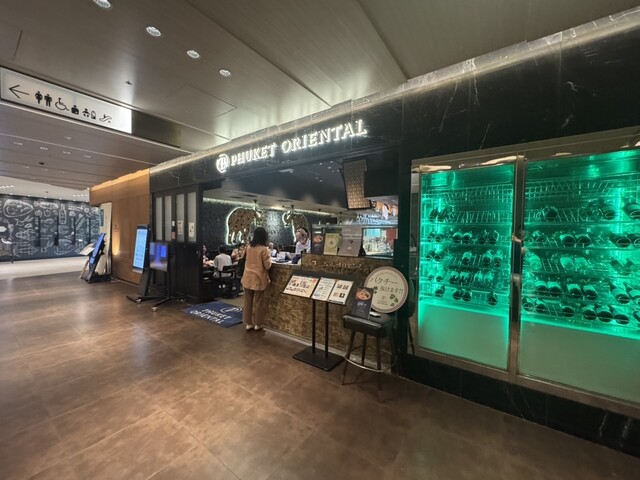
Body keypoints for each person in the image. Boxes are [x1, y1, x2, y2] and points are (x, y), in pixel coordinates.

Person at [241, 227, 272, 331]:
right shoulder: (264, 249)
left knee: (247, 301)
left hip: (247, 277)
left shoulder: (248, 247)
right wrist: (270, 260)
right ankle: (258, 324)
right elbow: (267, 266)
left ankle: (248, 323)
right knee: (258, 301)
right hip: (258, 279)